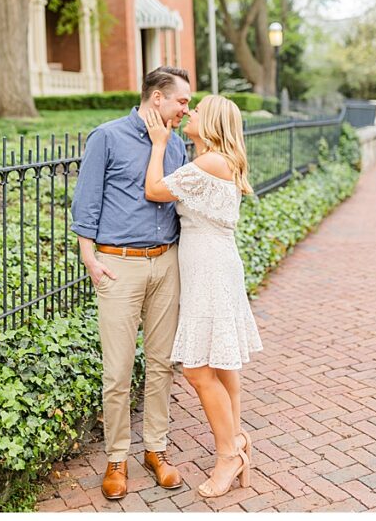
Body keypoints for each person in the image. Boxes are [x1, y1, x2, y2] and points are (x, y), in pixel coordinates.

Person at [70, 66, 192, 500]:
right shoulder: (107, 136)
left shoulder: (176, 145)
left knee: (161, 364)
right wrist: (90, 258)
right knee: (118, 370)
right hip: (119, 265)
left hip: (167, 263)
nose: (186, 109)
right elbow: (86, 199)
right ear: (157, 98)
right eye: (181, 101)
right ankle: (116, 457)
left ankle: (156, 449)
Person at [143, 94, 262, 498]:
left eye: (196, 110)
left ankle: (229, 455)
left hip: (208, 268)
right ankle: (238, 440)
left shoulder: (209, 163)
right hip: (212, 263)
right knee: (223, 364)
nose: (188, 113)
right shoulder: (217, 162)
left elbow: (155, 190)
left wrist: (159, 144)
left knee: (197, 369)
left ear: (210, 123)